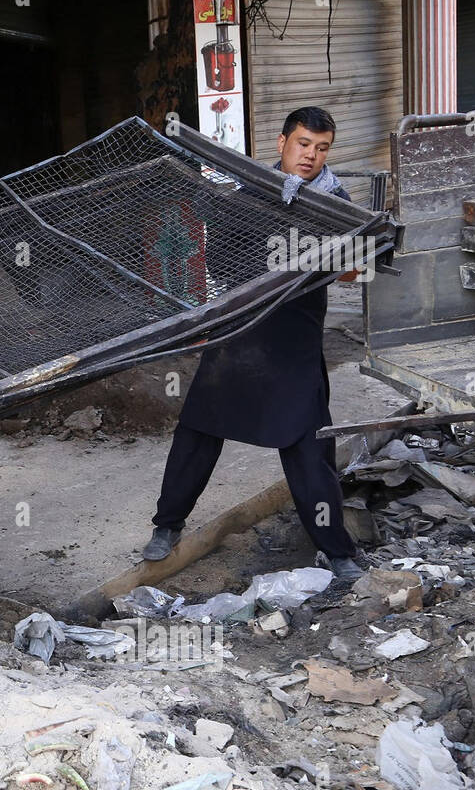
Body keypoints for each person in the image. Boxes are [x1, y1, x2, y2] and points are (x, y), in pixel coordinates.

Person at [142, 106, 364, 581]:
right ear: (283, 142)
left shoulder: (336, 202)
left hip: (294, 338)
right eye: (303, 144)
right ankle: (167, 525)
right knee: (200, 428)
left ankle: (336, 550)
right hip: (241, 333)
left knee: (308, 444)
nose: (310, 156)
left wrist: (329, 251)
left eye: (321, 148)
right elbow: (221, 257)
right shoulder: (252, 192)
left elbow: (352, 269)